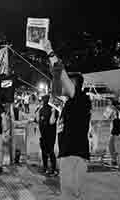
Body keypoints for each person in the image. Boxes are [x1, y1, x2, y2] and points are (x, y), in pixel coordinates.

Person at [42, 39, 92, 200]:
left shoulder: (81, 99)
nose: (64, 85)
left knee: (72, 194)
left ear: (74, 85)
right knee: (67, 194)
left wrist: (50, 52)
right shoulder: (68, 103)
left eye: (68, 83)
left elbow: (61, 76)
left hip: (75, 154)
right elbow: (56, 84)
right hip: (66, 154)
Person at [38, 94, 59, 175]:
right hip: (43, 134)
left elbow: (52, 122)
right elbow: (39, 120)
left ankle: (53, 169)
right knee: (44, 151)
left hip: (50, 134)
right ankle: (45, 167)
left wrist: (53, 112)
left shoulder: (54, 109)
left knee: (50, 151)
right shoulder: (41, 109)